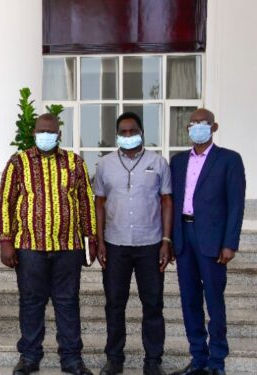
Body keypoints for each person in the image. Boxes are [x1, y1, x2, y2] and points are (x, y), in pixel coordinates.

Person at [0, 114, 96, 375]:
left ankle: (72, 359)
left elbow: (86, 201)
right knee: (31, 302)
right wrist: (6, 240)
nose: (46, 135)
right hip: (29, 246)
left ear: (59, 134)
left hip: (68, 247)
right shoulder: (18, 163)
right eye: (41, 131)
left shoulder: (75, 163)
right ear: (33, 133)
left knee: (68, 302)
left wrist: (91, 238)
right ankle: (30, 356)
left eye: (50, 131)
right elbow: (6, 201)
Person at [93, 112, 172, 375]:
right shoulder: (104, 165)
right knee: (115, 303)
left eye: (132, 131)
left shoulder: (158, 163)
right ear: (117, 135)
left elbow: (166, 202)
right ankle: (114, 359)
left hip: (150, 244)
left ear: (142, 132)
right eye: (123, 132)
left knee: (153, 304)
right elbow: (100, 203)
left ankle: (153, 362)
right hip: (115, 245)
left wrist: (166, 240)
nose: (128, 136)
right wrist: (100, 240)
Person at [169, 109, 246, 375]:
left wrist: (230, 243)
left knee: (214, 302)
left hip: (213, 241)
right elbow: (171, 202)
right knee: (189, 301)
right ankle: (198, 358)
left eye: (203, 123)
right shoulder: (177, 162)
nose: (197, 128)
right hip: (184, 237)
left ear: (214, 127)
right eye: (193, 124)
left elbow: (236, 205)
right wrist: (169, 240)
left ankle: (217, 362)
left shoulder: (229, 160)